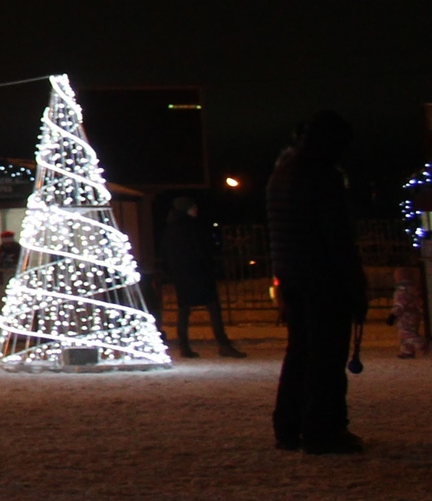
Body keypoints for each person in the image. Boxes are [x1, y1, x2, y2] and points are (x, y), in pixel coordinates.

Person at [266, 111, 369, 453]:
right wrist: (355, 286)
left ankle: (289, 425)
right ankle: (323, 430)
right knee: (326, 358)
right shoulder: (321, 176)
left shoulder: (283, 173)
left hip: (294, 276)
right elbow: (337, 238)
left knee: (299, 353)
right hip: (323, 279)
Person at [157, 196, 244, 359]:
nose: (196, 208)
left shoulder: (171, 229)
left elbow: (167, 254)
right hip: (199, 273)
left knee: (184, 310)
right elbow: (203, 249)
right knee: (213, 307)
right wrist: (209, 265)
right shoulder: (192, 227)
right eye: (193, 206)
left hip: (182, 276)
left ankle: (184, 346)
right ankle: (223, 344)